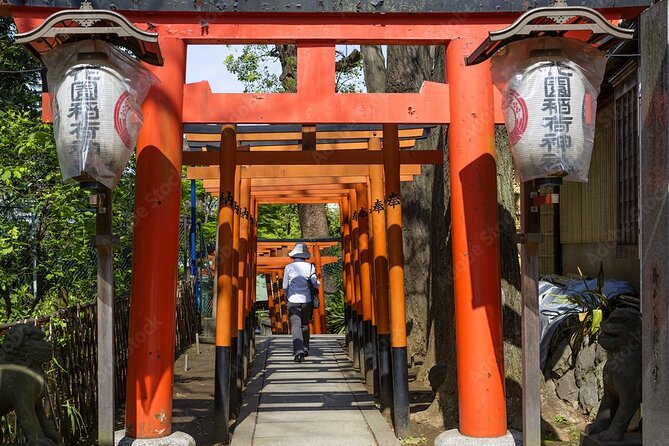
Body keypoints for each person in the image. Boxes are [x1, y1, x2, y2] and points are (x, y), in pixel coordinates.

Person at [282, 242, 320, 363]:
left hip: (293, 300)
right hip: (306, 300)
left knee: (296, 325)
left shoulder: (288, 267)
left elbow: (285, 286)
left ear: (293, 255)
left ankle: (298, 352)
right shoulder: (310, 267)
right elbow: (314, 282)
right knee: (304, 324)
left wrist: (286, 295)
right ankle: (305, 347)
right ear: (305, 256)